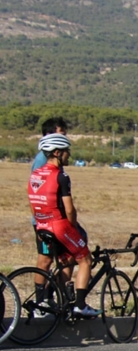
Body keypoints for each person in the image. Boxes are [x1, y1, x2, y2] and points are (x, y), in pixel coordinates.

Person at [27, 134, 100, 318]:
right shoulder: (61, 176)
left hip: (41, 224)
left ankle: (45, 301)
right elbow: (69, 209)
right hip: (58, 225)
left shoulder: (35, 174)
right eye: (67, 152)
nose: (69, 155)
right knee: (85, 260)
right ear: (57, 153)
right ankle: (80, 305)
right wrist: (73, 228)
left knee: (61, 260)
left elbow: (33, 203)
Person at [31, 118, 69, 279]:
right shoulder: (42, 160)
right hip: (47, 220)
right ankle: (42, 298)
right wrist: (40, 221)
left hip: (55, 219)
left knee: (66, 257)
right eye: (62, 134)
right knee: (45, 260)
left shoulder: (56, 161)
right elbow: (35, 192)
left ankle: (57, 295)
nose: (66, 138)